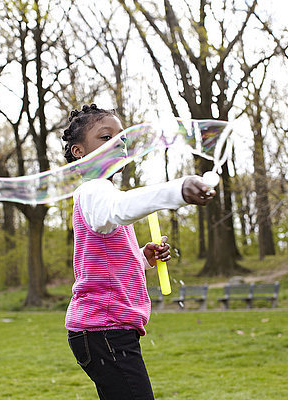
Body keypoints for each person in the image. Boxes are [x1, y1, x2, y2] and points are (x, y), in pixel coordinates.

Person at [61, 104, 216, 400]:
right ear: (79, 151)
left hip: (104, 330)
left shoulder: (101, 192)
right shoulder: (94, 191)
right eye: (106, 137)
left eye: (122, 137)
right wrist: (178, 191)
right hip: (104, 329)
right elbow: (120, 209)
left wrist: (141, 259)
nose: (119, 143)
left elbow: (103, 260)